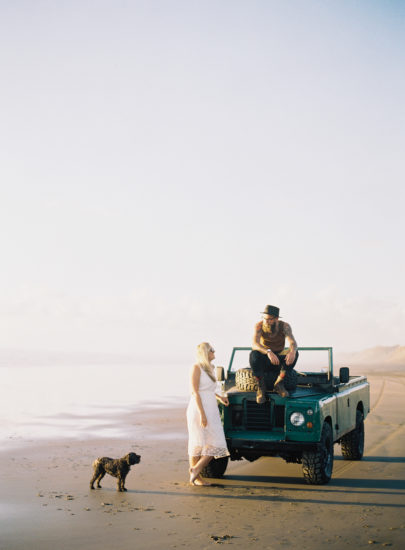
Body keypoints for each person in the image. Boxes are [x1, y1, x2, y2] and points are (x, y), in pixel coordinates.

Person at [187, 342, 230, 486]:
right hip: (199, 408)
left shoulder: (211, 368)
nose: (214, 351)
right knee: (197, 442)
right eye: (212, 350)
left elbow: (209, 389)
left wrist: (220, 397)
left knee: (216, 442)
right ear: (206, 352)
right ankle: (197, 477)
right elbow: (195, 391)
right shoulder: (196, 367)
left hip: (211, 408)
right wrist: (202, 414)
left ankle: (196, 469)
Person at [249, 305, 299, 403]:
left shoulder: (285, 326)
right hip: (265, 358)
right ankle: (261, 387)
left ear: (276, 319)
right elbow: (255, 344)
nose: (265, 321)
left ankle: (279, 383)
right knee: (254, 355)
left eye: (269, 319)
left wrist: (292, 351)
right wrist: (268, 352)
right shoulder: (259, 326)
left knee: (295, 353)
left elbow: (292, 342)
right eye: (264, 318)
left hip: (279, 360)